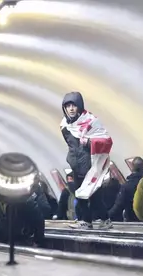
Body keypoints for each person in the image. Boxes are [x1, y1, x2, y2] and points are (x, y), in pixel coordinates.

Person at [60, 92, 113, 229]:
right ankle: (87, 221)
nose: (71, 109)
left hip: (90, 165)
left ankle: (104, 220)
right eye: (68, 106)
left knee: (93, 196)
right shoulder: (65, 125)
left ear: (80, 106)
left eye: (74, 105)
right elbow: (71, 145)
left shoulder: (91, 122)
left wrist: (89, 142)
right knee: (79, 194)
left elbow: (107, 140)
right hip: (76, 165)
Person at [107, 157, 143, 223]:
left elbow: (118, 206)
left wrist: (105, 217)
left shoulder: (126, 186)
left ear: (132, 167)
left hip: (132, 221)